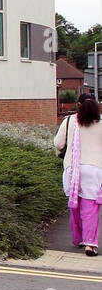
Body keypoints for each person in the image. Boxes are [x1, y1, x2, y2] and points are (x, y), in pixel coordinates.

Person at [56, 94, 102, 255]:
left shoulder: (69, 121)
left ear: (78, 104)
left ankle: (78, 239)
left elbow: (58, 143)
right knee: (90, 209)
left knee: (74, 206)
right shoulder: (100, 122)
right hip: (94, 169)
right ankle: (90, 244)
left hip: (72, 168)